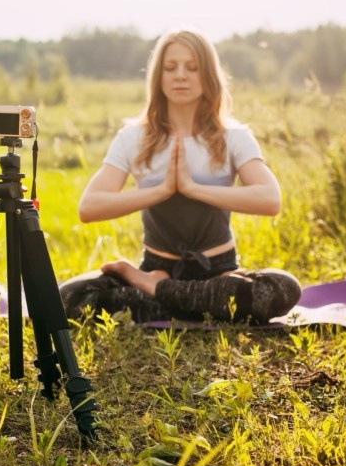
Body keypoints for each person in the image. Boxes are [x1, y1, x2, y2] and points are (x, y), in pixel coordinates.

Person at [60, 28, 301, 325]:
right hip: (158, 264)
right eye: (170, 68)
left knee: (283, 288)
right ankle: (201, 300)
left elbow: (270, 199)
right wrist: (161, 190)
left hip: (218, 268)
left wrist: (192, 188)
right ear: (158, 77)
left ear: (208, 75)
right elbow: (89, 207)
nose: (180, 76)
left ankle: (155, 290)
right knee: (69, 298)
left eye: (192, 67)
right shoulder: (133, 137)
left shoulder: (234, 136)